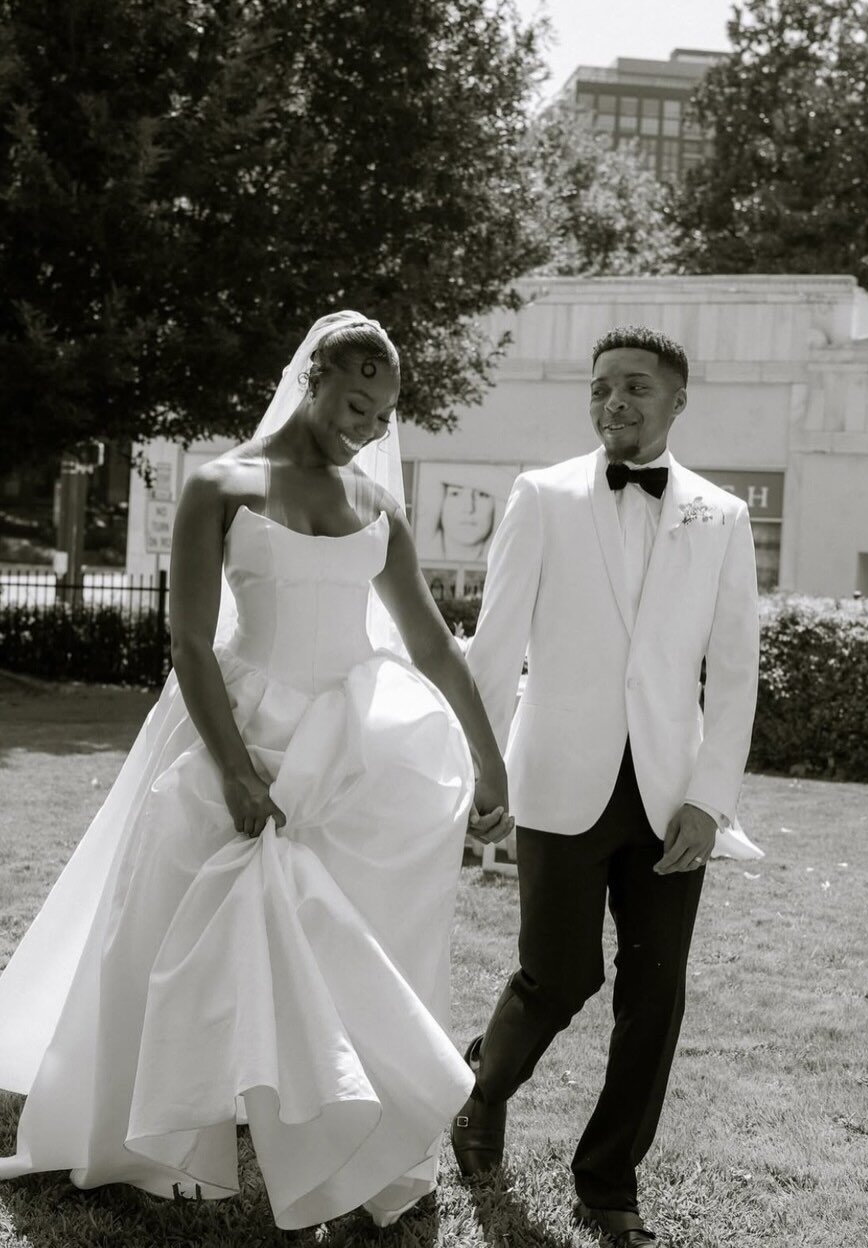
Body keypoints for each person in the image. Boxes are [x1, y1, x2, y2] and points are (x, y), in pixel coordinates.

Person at [0, 311, 513, 1231]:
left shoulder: (376, 507)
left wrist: (491, 762)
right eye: (356, 401)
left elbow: (433, 645)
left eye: (383, 414)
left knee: (357, 938)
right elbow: (190, 644)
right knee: (164, 928)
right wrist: (235, 771)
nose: (366, 425)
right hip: (238, 724)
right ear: (312, 376)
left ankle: (349, 1122)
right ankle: (132, 1122)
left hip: (354, 746)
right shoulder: (221, 483)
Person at [451, 325, 763, 1246]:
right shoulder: (540, 496)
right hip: (557, 777)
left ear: (676, 401)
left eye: (634, 387)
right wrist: (485, 765)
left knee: (656, 991)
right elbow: (497, 640)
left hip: (670, 793)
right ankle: (482, 1091)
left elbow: (735, 670)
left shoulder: (722, 515)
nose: (613, 403)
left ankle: (609, 1181)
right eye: (600, 389)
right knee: (559, 975)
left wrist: (710, 799)